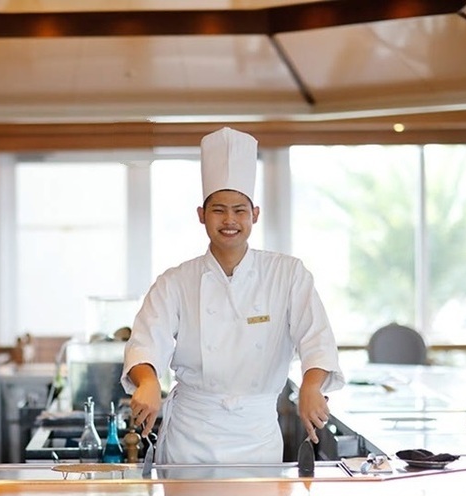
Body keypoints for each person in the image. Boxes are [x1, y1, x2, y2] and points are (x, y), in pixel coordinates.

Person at [121, 127, 344, 464]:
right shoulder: (175, 281)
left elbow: (317, 341)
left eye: (239, 210)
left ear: (255, 214)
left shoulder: (287, 274)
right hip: (190, 438)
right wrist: (148, 381)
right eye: (218, 210)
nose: (229, 220)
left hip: (257, 436)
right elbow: (145, 343)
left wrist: (311, 386)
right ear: (201, 215)